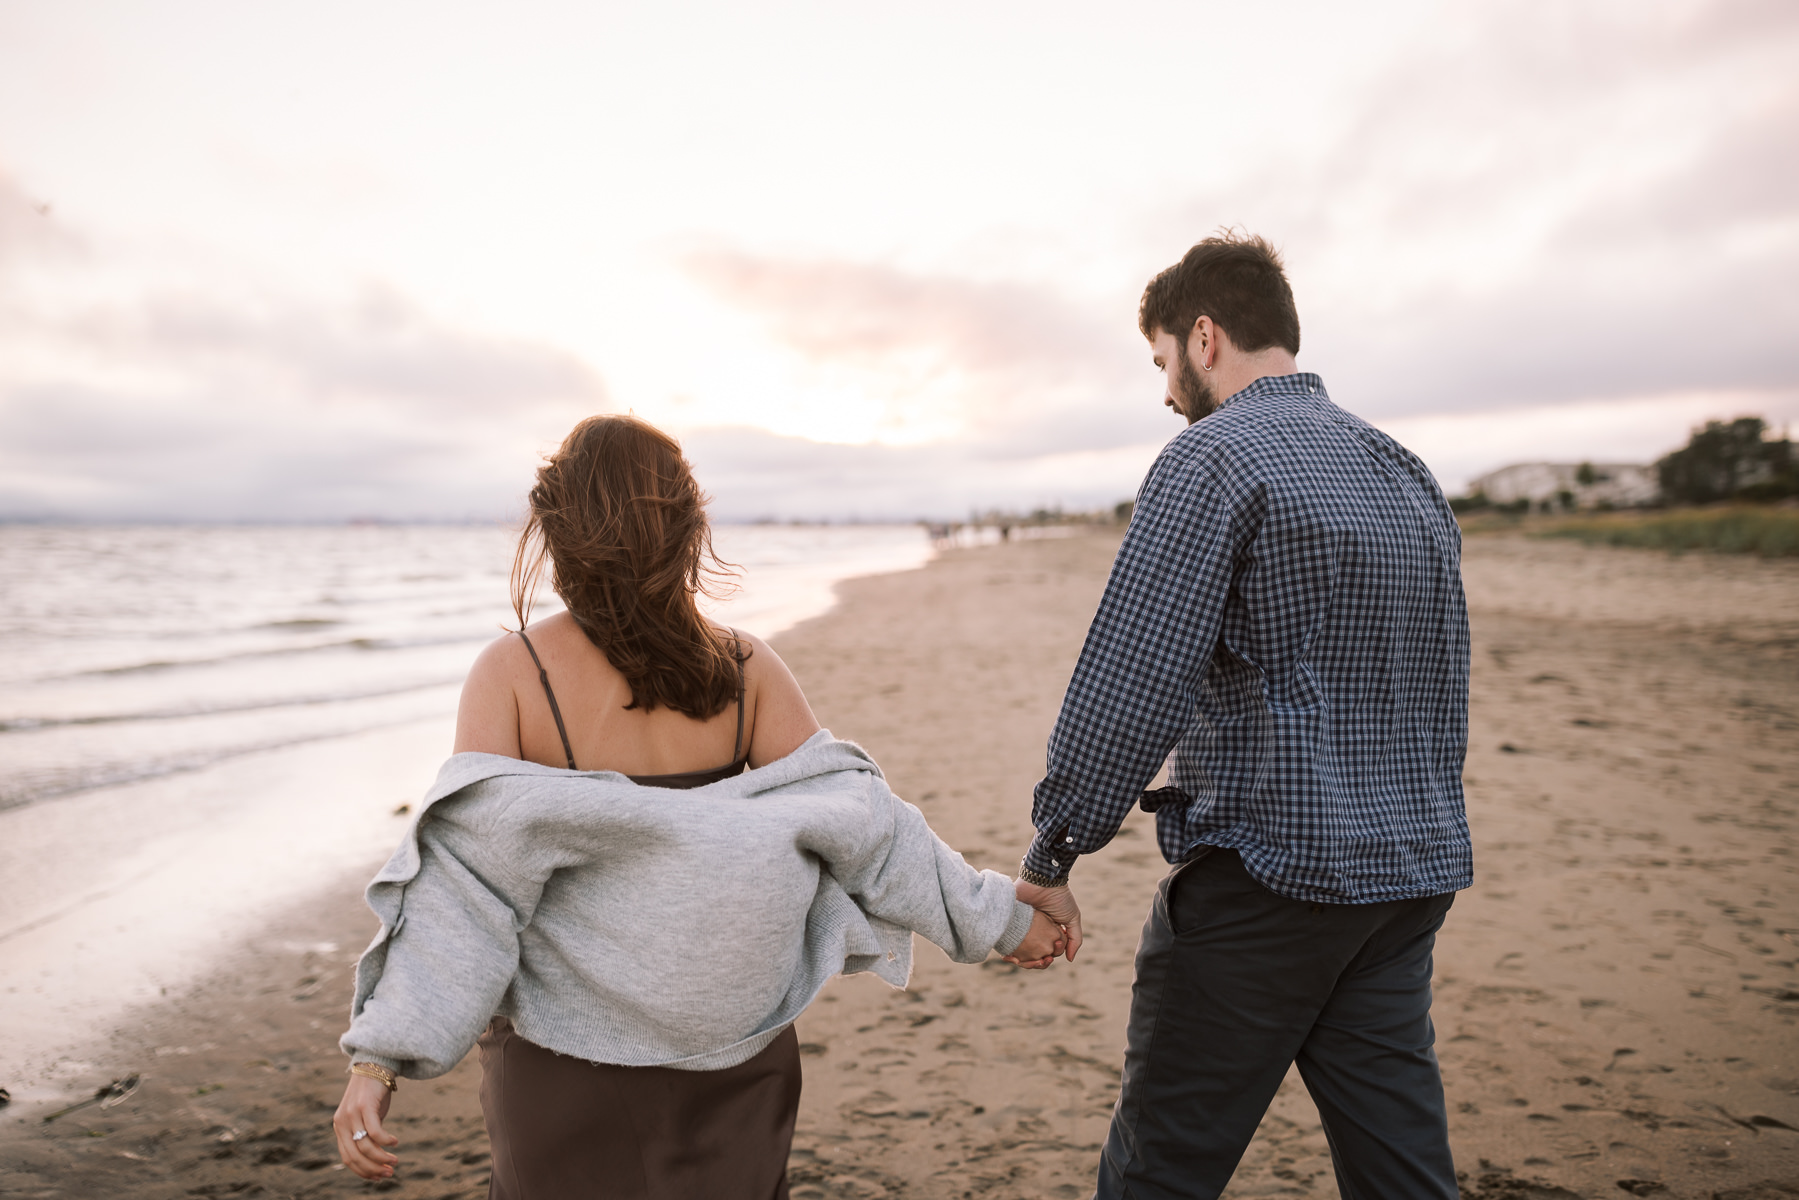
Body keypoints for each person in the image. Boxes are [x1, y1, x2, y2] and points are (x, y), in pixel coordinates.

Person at [331, 414, 1067, 1197]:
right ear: (687, 527)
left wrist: (378, 1062)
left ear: (558, 530)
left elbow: (465, 890)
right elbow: (868, 829)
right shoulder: (745, 668)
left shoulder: (513, 675)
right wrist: (1006, 919)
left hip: (565, 1065)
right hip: (739, 1058)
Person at [1013, 232, 1472, 1199]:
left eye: (1160, 361)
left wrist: (1052, 855)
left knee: (1161, 1169)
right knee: (1403, 1173)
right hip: (1407, 880)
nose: (1165, 391)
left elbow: (1132, 680)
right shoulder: (1404, 471)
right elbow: (1436, 687)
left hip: (1272, 883)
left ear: (1204, 336)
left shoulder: (1210, 461)